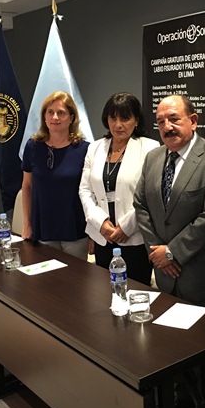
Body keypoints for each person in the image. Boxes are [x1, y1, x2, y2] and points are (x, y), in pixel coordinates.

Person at [133, 94, 205, 408]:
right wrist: (158, 252)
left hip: (204, 277)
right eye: (161, 121)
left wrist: (173, 253)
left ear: (193, 120)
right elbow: (141, 205)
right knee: (174, 347)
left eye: (174, 118)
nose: (167, 126)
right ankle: (181, 399)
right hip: (167, 276)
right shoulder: (153, 158)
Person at [79, 93, 159, 284]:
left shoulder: (150, 148)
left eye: (125, 118)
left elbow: (150, 195)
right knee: (104, 291)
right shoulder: (95, 148)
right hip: (103, 236)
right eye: (113, 118)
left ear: (136, 120)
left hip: (135, 237)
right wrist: (100, 222)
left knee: (137, 291)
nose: (118, 125)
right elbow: (85, 190)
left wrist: (126, 226)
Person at [21, 91, 89, 259]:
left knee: (75, 275)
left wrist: (93, 233)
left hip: (75, 230)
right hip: (43, 228)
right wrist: (27, 224)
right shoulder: (33, 147)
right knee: (46, 275)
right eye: (50, 112)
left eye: (61, 113)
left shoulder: (84, 149)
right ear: (44, 117)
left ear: (72, 118)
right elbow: (27, 186)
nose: (55, 117)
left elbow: (91, 193)